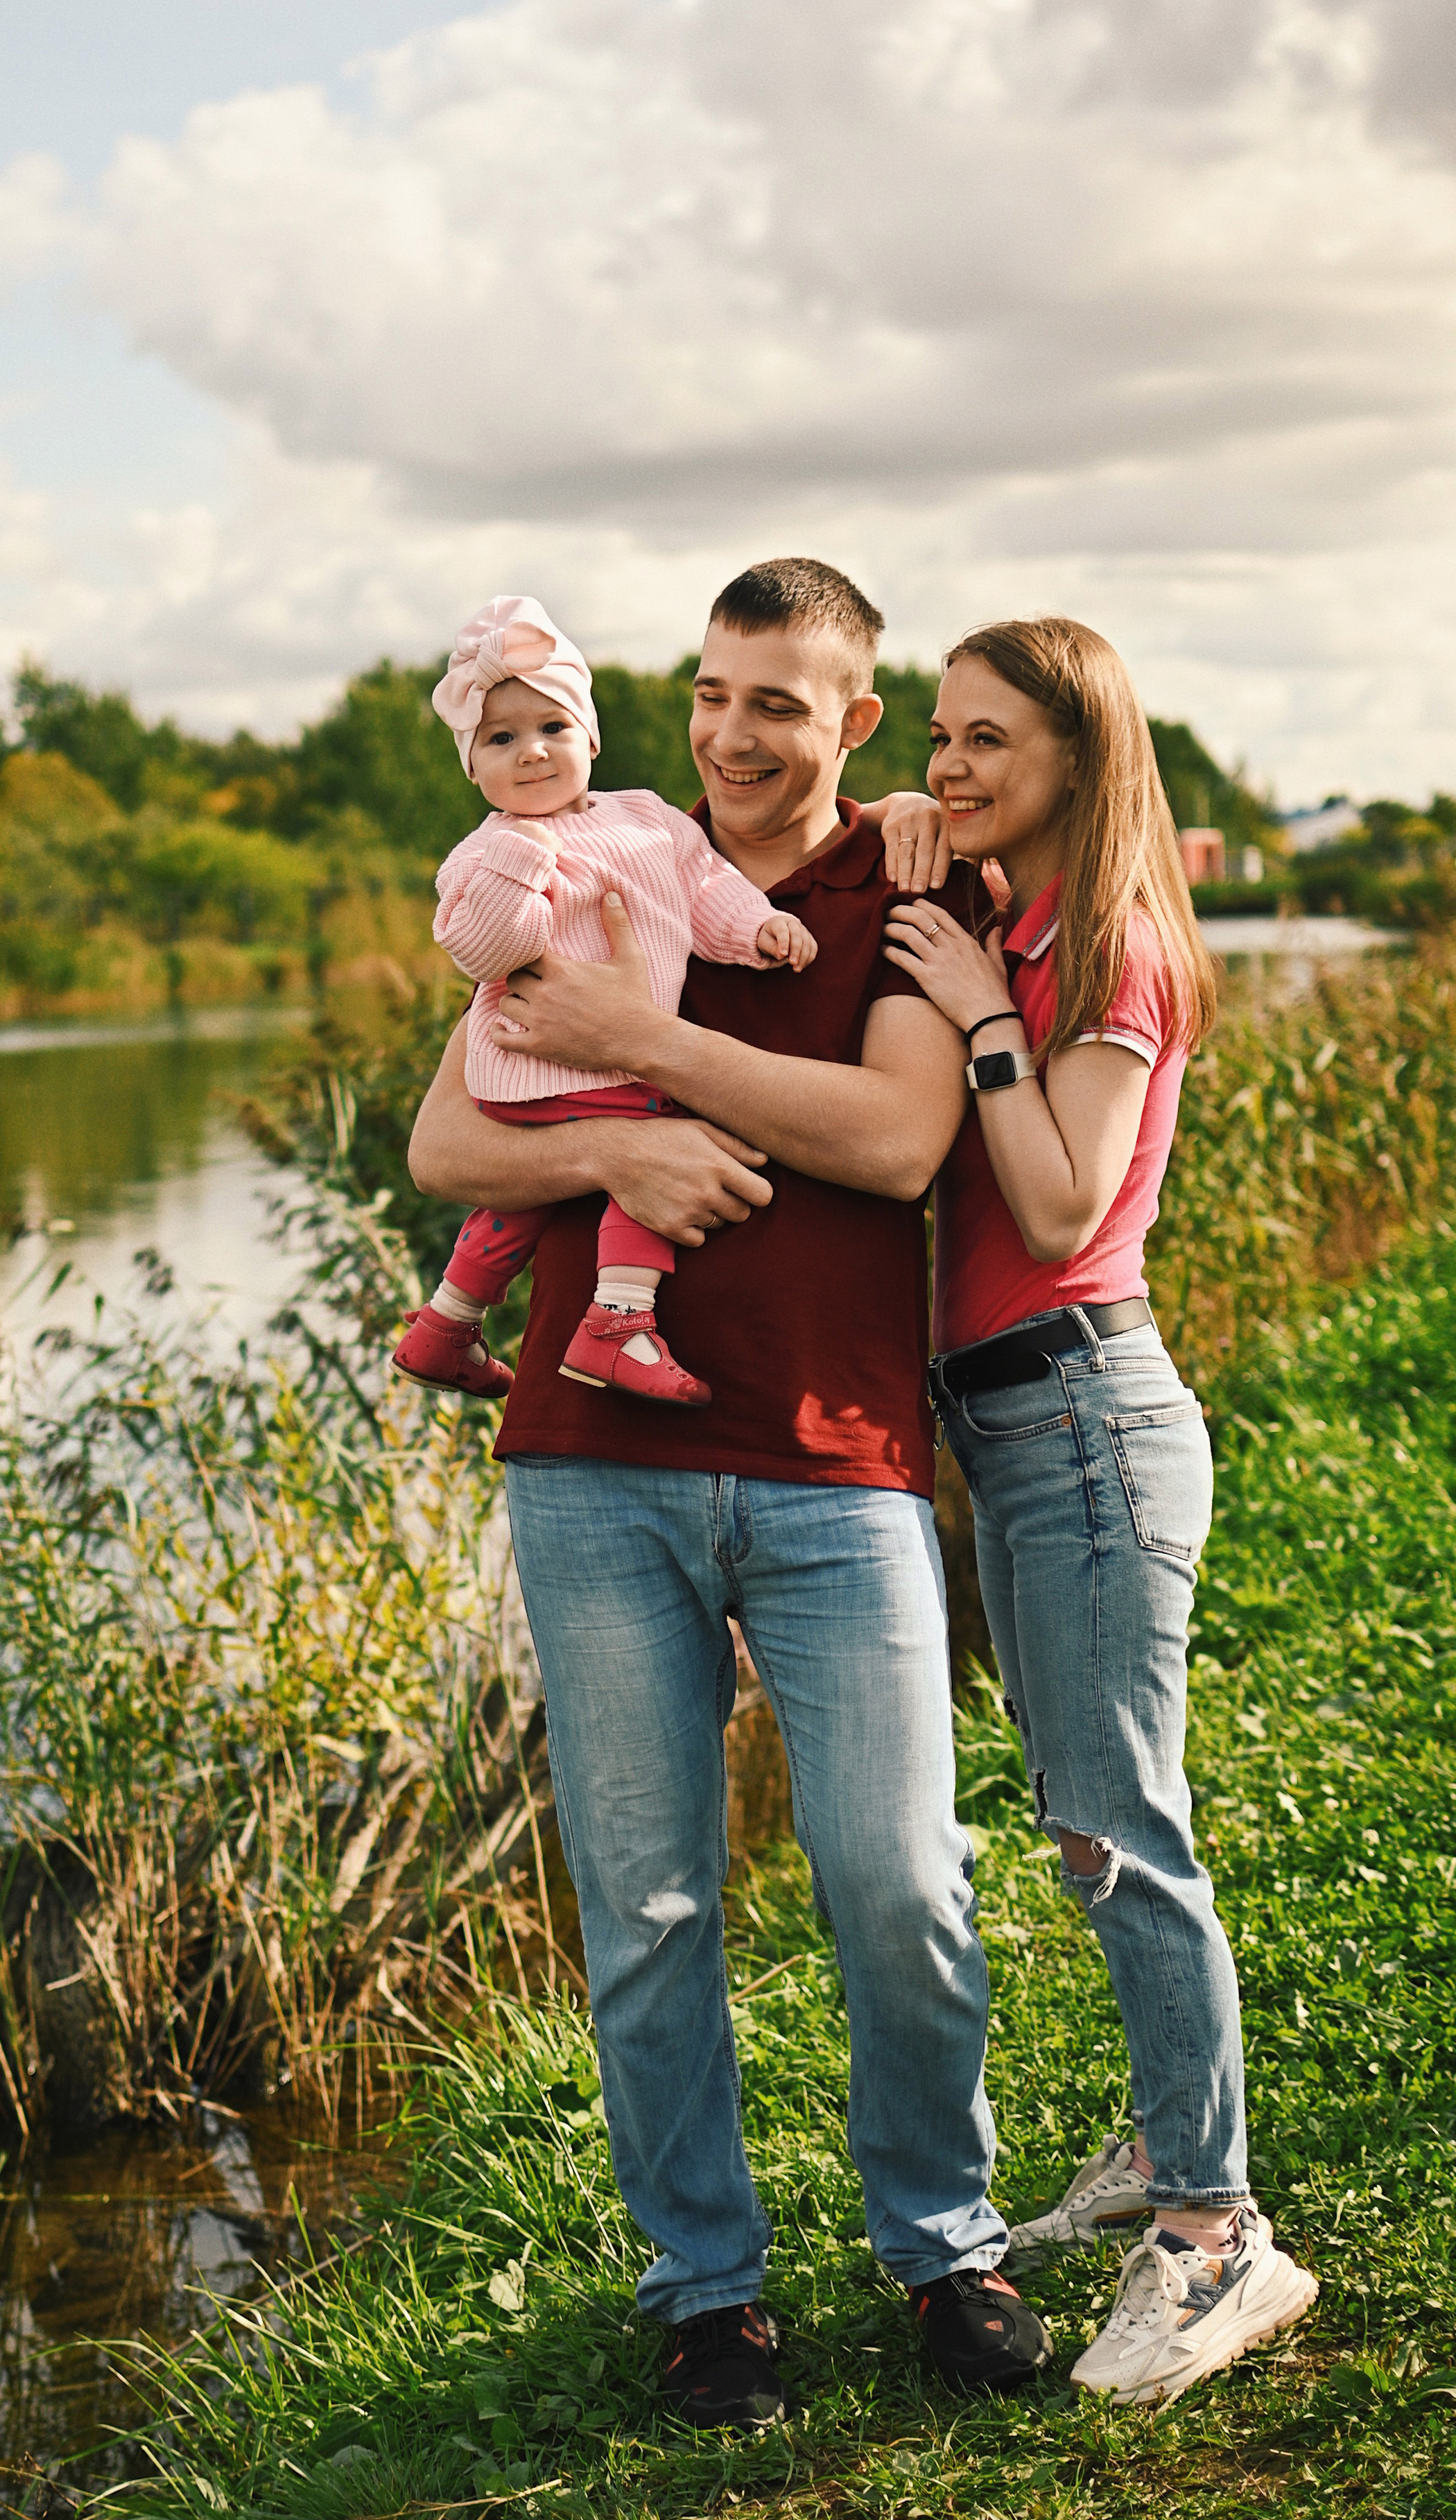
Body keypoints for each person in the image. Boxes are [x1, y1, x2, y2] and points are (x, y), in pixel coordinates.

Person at [409, 557, 1054, 2425]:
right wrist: (616, 1138)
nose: (732, 733)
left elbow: (898, 1136)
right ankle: (709, 2296)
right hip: (594, 1469)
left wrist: (645, 1056)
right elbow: (457, 1129)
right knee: (654, 1904)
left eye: (780, 701)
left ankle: (945, 2248)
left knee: (900, 1878)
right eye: (709, 692)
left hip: (839, 1460)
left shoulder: (917, 884)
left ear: (856, 721)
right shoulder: (589, 845)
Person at [881, 614, 1319, 2404]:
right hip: (1019, 1422)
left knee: (1125, 1827)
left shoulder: (1112, 947)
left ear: (1081, 755)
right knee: (1084, 1817)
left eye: (991, 741)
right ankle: (1162, 2139)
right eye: (938, 735)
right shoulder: (1026, 916)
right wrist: (937, 869)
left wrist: (983, 1018)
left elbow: (1060, 1210)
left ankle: (1217, 2239)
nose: (955, 766)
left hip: (1082, 1408)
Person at [392, 595, 817, 1411]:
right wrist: (522, 857)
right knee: (652, 1141)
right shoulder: (488, 852)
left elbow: (700, 888)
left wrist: (757, 927)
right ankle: (618, 1321)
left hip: (583, 1066)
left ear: (590, 737)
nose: (532, 754)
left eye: (552, 729)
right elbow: (486, 950)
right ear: (473, 768)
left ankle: (446, 1324)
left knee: (523, 1198)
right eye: (500, 740)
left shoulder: (648, 819)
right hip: (544, 1057)